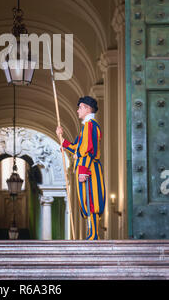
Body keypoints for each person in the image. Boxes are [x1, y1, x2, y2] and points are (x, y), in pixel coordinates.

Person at [56, 96, 105, 240]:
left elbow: (89, 150)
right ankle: (91, 233)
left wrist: (83, 171)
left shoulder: (91, 125)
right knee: (86, 201)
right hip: (86, 168)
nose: (77, 111)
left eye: (80, 107)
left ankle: (94, 234)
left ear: (87, 108)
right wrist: (61, 138)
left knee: (91, 200)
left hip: (89, 169)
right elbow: (76, 148)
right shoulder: (86, 127)